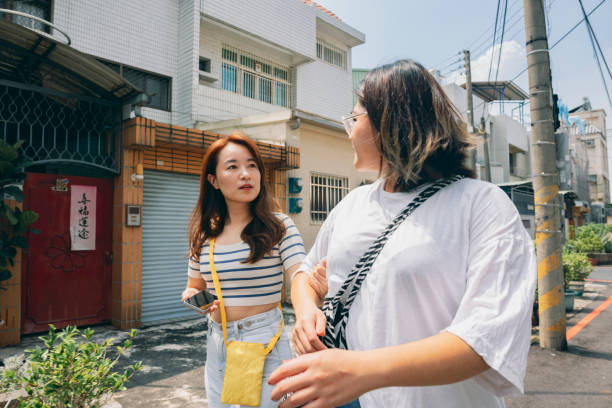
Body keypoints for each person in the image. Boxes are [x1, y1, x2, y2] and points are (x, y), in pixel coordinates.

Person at [268, 59, 536, 408]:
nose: (348, 132)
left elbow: (485, 339)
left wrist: (358, 371)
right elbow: (304, 273)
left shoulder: (481, 205)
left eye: (355, 119)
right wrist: (307, 314)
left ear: (391, 122)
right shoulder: (354, 204)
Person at [181, 133, 306, 408]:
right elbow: (195, 286)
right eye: (233, 167)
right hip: (218, 342)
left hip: (264, 340)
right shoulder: (204, 236)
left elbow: (299, 275)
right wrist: (196, 300)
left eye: (252, 165)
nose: (246, 174)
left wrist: (307, 311)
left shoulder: (279, 226)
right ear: (213, 180)